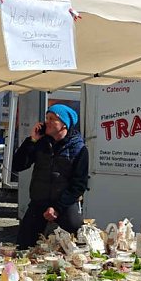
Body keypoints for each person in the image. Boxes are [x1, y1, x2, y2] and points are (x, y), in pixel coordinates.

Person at [11, 103, 88, 248]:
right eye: (46, 118)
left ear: (65, 124)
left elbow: (79, 184)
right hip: (38, 202)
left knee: (77, 243)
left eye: (53, 119)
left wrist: (57, 208)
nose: (47, 122)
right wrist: (32, 140)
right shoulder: (40, 143)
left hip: (63, 204)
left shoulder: (79, 149)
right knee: (23, 244)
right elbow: (18, 165)